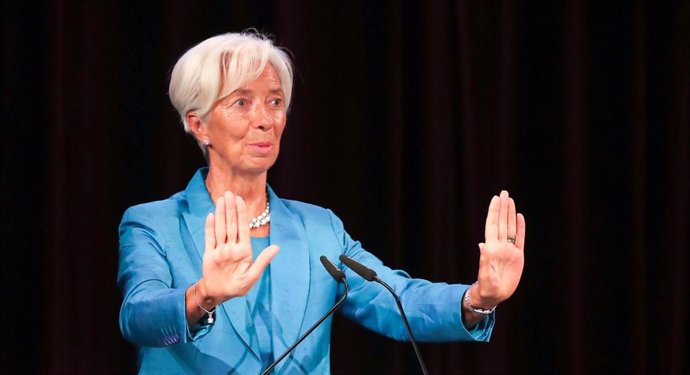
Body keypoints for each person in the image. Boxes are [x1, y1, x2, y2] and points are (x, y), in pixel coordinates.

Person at [117, 31, 526, 375]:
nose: (264, 119)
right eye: (241, 102)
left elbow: (397, 300)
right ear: (197, 123)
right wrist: (204, 295)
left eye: (275, 102)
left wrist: (478, 298)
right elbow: (139, 317)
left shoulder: (319, 229)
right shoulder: (154, 224)